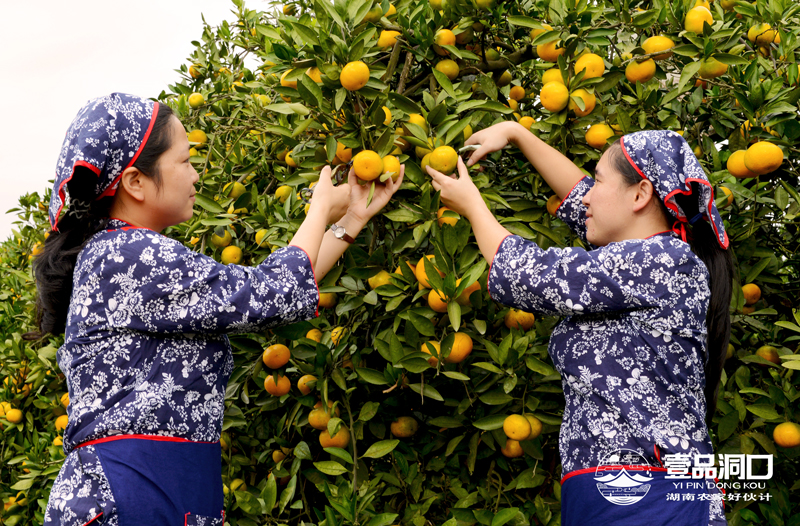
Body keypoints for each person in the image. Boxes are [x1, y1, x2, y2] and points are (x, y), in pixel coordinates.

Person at [31, 93, 403, 525]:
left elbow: (266, 293)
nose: (195, 175)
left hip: (164, 490)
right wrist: (320, 206)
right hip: (129, 494)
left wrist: (352, 218)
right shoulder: (126, 255)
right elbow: (273, 292)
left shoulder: (133, 255)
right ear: (135, 181)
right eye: (184, 161)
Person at [426, 122, 732, 526]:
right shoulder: (639, 261)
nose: (586, 194)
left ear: (640, 194)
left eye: (599, 180)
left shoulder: (663, 260)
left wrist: (471, 205)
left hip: (649, 493)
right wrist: (517, 134)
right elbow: (579, 198)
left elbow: (528, 275)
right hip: (611, 489)